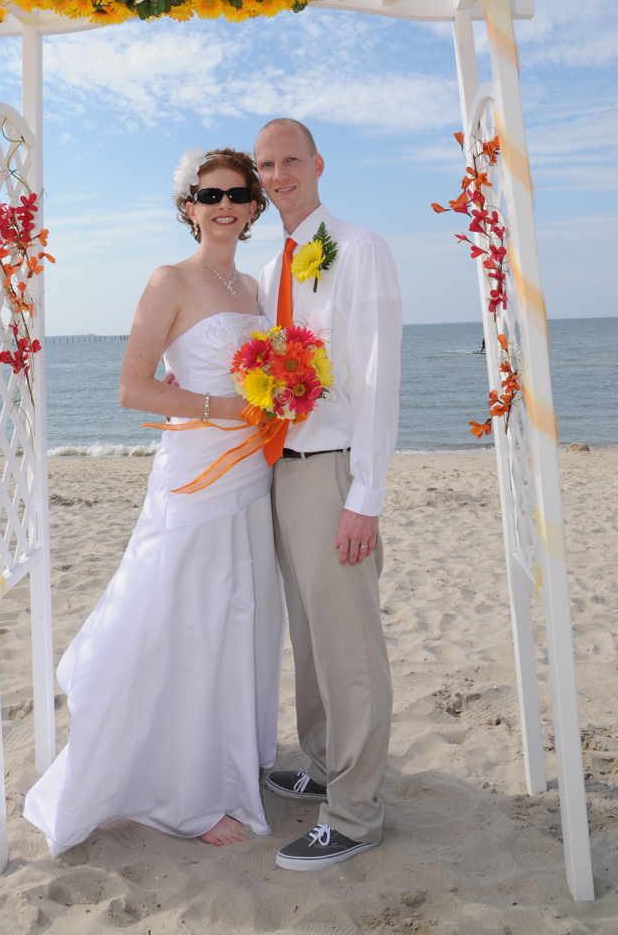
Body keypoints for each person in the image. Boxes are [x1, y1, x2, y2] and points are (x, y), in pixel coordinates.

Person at [23, 148, 285, 853]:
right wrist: (220, 407)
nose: (224, 206)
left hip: (251, 476)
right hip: (195, 475)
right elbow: (132, 388)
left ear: (254, 206)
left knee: (240, 620)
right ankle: (186, 795)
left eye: (237, 194)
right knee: (187, 620)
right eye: (210, 195)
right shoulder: (169, 280)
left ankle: (230, 762)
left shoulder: (253, 289)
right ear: (188, 207)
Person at [254, 119, 402, 871]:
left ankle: (354, 813)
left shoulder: (360, 249)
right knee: (310, 638)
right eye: (265, 164)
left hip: (334, 467)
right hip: (283, 468)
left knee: (348, 648)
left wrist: (365, 496)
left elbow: (377, 378)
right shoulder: (273, 263)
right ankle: (322, 764)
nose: (278, 174)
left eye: (290, 160)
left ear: (317, 164)